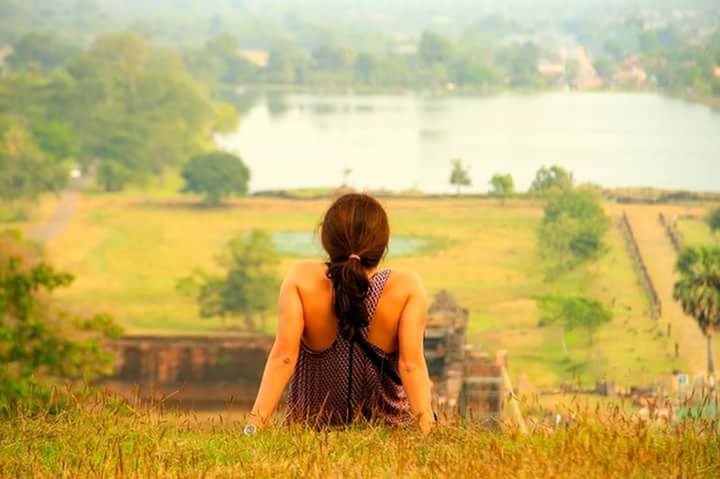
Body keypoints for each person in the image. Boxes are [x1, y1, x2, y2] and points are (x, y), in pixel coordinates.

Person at [244, 193, 434, 434]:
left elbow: (283, 358)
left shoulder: (301, 278)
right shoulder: (406, 286)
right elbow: (411, 366)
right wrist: (429, 432)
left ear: (327, 238)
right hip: (389, 431)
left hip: (312, 430)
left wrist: (253, 428)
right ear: (382, 244)